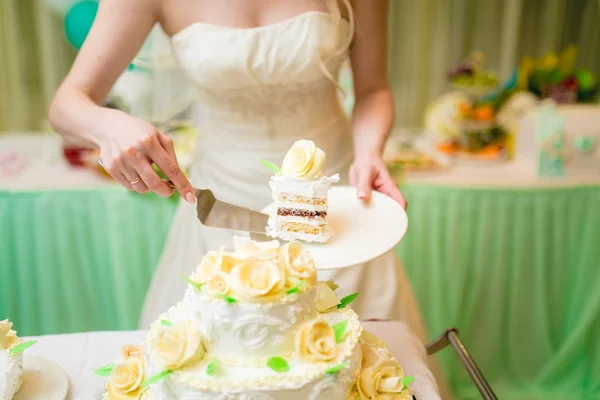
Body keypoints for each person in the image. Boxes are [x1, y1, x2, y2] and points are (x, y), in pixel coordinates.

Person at [49, 1, 452, 397]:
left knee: (355, 372)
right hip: (221, 208)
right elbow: (66, 105)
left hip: (335, 205)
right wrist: (107, 124)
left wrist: (370, 151)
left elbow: (373, 88)